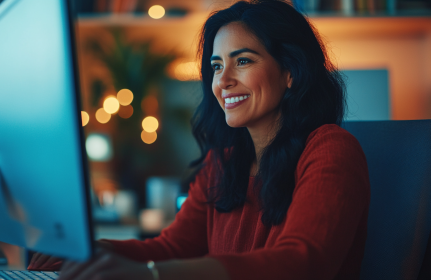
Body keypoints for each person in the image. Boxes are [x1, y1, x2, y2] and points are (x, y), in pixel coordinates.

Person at [29, 0, 371, 279]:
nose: (223, 81)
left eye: (243, 61)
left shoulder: (330, 149)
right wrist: (94, 252)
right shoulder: (222, 162)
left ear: (290, 72)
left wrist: (150, 276)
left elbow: (301, 263)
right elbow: (172, 248)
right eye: (217, 66)